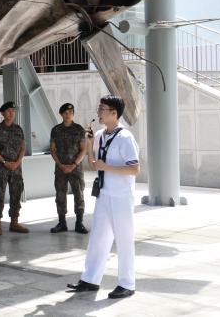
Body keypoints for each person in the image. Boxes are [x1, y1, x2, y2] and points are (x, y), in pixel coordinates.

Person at [68, 95, 140, 299]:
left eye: (102, 109)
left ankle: (127, 283)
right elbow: (93, 164)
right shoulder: (100, 134)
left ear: (114, 113)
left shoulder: (125, 137)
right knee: (98, 238)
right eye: (99, 108)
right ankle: (90, 279)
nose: (98, 112)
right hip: (104, 194)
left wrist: (106, 167)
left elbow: (134, 169)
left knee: (124, 240)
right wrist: (90, 144)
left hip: (121, 197)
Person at [0, 102, 29, 235]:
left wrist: (17, 162)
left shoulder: (18, 129)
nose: (12, 113)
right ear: (2, 113)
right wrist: (4, 161)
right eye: (9, 111)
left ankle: (14, 222)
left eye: (13, 110)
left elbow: (23, 147)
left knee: (16, 194)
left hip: (16, 169)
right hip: (2, 168)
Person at [49, 103, 88, 234]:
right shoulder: (56, 130)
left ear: (73, 114)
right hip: (60, 168)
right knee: (60, 195)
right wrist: (60, 165)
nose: (68, 114)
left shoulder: (79, 129)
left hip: (76, 169)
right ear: (61, 114)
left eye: (71, 112)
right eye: (65, 112)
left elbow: (83, 150)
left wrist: (74, 164)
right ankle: (62, 223)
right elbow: (52, 150)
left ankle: (79, 223)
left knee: (79, 194)